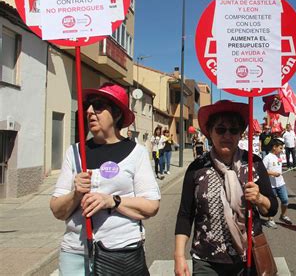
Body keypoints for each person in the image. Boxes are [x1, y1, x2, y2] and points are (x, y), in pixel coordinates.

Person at [50, 83, 160, 275]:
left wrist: (111, 200)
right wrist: (76, 194)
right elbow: (57, 211)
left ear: (116, 114)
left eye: (99, 106)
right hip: (76, 253)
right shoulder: (75, 153)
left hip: (120, 252)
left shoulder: (137, 153)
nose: (90, 111)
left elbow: (151, 206)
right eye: (88, 106)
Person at [174, 100, 278, 276]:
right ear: (210, 133)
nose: (227, 135)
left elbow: (272, 209)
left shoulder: (254, 163)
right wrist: (178, 256)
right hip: (206, 259)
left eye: (233, 130)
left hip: (249, 257)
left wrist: (259, 199)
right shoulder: (197, 168)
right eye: (221, 129)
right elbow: (185, 214)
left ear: (240, 134)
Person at [263, 137, 292, 228]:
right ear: (274, 147)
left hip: (281, 184)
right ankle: (270, 220)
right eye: (280, 148)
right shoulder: (267, 158)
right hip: (271, 185)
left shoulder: (278, 157)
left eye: (282, 148)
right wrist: (272, 173)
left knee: (285, 200)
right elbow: (262, 171)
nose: (282, 150)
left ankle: (283, 216)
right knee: (272, 204)